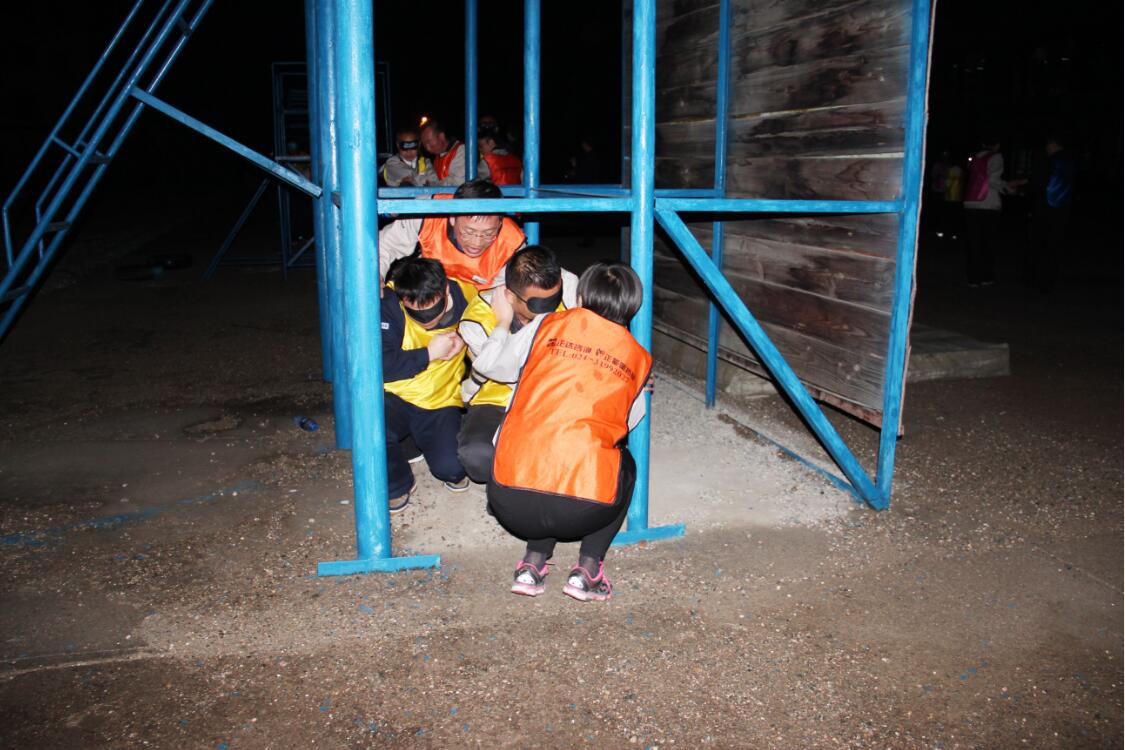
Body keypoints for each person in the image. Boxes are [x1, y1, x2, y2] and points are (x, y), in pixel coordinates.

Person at [481, 262, 652, 602]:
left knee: (544, 445)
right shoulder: (639, 358)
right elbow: (630, 422)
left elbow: (494, 367)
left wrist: (502, 323)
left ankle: (533, 563)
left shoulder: (546, 324)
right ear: (633, 307)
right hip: (581, 511)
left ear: (581, 297)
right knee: (624, 464)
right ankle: (587, 570)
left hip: (508, 498)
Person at [456, 245, 578, 484]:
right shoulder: (476, 320)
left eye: (554, 300)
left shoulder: (568, 287)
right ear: (510, 296)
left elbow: (597, 331)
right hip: (497, 397)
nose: (549, 310)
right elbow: (507, 370)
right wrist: (503, 323)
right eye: (539, 305)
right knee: (477, 456)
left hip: (550, 393)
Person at [380, 257, 494, 512]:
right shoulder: (389, 302)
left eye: (432, 310)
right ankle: (399, 483)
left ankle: (418, 442)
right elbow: (380, 365)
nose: (426, 320)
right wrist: (428, 354)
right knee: (373, 431)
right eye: (416, 313)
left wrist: (468, 336)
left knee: (451, 469)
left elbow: (496, 331)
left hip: (440, 399)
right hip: (395, 395)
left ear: (445, 291)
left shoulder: (465, 295)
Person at [378, 179, 526, 292]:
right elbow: (385, 245)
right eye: (468, 232)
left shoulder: (513, 243)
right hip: (428, 289)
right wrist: (376, 276)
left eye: (488, 234)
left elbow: (502, 295)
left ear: (500, 223)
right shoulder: (427, 212)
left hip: (479, 302)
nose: (477, 243)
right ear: (453, 218)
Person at [963, 136, 1022, 287]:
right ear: (997, 145)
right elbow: (993, 180)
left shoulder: (976, 157)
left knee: (974, 243)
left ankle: (973, 277)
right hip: (987, 203)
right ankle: (985, 276)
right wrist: (1008, 187)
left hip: (971, 202)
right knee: (987, 243)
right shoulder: (996, 157)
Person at [1025, 132, 1076, 292]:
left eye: (1048, 146)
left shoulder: (1048, 161)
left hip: (1045, 206)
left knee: (1039, 243)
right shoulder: (1070, 161)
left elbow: (1038, 182)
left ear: (1053, 144)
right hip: (1063, 207)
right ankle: (1048, 280)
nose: (1046, 149)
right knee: (1054, 245)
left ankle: (1035, 278)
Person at [420, 119, 472, 186]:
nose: (427, 148)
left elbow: (458, 182)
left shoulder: (461, 151)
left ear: (441, 137)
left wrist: (433, 185)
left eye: (429, 142)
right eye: (424, 144)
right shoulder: (438, 158)